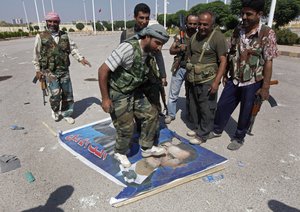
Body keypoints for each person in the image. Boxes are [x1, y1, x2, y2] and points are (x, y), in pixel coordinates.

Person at [208, 0, 278, 150]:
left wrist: (265, 87)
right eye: (242, 14)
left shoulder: (267, 33)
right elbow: (230, 52)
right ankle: (217, 129)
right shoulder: (237, 30)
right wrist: (225, 74)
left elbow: (268, 61)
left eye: (249, 14)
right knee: (222, 106)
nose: (244, 17)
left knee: (246, 112)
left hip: (253, 81)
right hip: (234, 78)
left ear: (260, 15)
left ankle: (239, 137)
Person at [98, 24, 170, 168]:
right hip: (118, 92)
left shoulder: (150, 51)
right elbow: (102, 71)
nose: (159, 48)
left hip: (133, 90)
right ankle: (120, 152)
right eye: (158, 43)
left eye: (162, 44)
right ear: (147, 37)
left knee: (151, 114)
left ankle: (147, 147)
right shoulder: (127, 48)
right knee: (126, 126)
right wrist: (105, 99)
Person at [33, 12, 91, 124]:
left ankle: (66, 113)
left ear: (58, 22)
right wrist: (37, 70)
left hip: (64, 70)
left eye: (55, 21)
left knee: (67, 93)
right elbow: (36, 54)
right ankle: (55, 110)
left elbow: (73, 49)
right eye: (50, 21)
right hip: (49, 71)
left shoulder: (65, 35)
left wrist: (80, 59)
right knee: (55, 94)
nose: (52, 23)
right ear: (46, 22)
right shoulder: (41, 36)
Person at [185, 11, 227, 144]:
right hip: (193, 79)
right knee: (194, 105)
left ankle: (203, 134)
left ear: (212, 24)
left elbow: (223, 61)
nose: (202, 27)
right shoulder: (194, 37)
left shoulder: (218, 38)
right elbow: (190, 55)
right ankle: (198, 128)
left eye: (205, 25)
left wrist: (216, 82)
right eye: (200, 24)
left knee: (206, 107)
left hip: (207, 80)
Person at [120, 3, 167, 87]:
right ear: (135, 17)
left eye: (147, 18)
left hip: (149, 77)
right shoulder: (126, 34)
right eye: (141, 18)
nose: (144, 21)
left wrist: (163, 76)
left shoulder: (153, 33)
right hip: (131, 79)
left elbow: (158, 55)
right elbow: (121, 57)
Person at [164, 14, 199, 124]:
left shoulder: (200, 36)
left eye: (195, 24)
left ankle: (190, 114)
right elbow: (171, 51)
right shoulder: (180, 35)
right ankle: (170, 114)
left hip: (192, 69)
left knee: (190, 94)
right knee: (173, 94)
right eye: (190, 23)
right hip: (180, 67)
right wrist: (180, 48)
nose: (192, 26)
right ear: (186, 23)